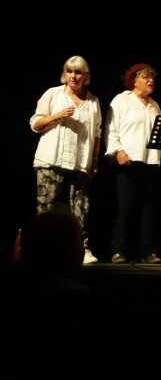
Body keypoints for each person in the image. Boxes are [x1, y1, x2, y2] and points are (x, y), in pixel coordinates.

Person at [30, 55, 102, 264]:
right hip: (51, 160)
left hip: (80, 162)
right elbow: (35, 124)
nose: (73, 76)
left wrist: (95, 160)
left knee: (81, 209)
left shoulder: (93, 101)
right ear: (64, 74)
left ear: (85, 76)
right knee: (47, 209)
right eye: (69, 71)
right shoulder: (53, 94)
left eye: (78, 72)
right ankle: (43, 251)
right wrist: (57, 116)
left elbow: (97, 133)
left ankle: (81, 249)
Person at [105, 64, 161, 264]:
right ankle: (118, 250)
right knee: (125, 207)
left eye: (152, 78)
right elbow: (111, 128)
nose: (151, 81)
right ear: (134, 80)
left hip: (150, 161)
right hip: (128, 160)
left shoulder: (154, 105)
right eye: (146, 77)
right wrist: (118, 150)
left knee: (149, 209)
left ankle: (147, 251)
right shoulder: (122, 100)